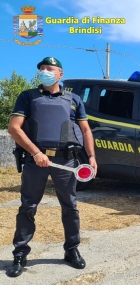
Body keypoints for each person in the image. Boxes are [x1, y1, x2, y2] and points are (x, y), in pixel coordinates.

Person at [6, 57, 97, 278]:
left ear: (60, 74)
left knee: (70, 207)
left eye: (50, 69)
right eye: (42, 69)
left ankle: (71, 250)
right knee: (28, 207)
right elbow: (14, 128)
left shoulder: (74, 99)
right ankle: (20, 254)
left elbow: (85, 131)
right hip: (35, 161)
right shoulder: (28, 97)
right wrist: (36, 153)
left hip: (66, 161)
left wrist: (92, 157)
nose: (44, 71)